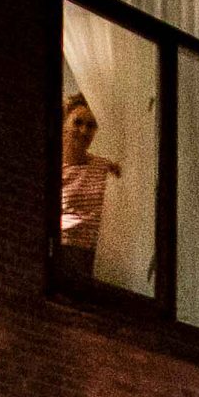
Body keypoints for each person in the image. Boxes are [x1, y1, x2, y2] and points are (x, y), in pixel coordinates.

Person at [57, 96, 122, 281]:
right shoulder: (55, 169)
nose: (84, 130)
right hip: (64, 251)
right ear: (64, 126)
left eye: (91, 125)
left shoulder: (103, 166)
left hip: (95, 254)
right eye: (77, 122)